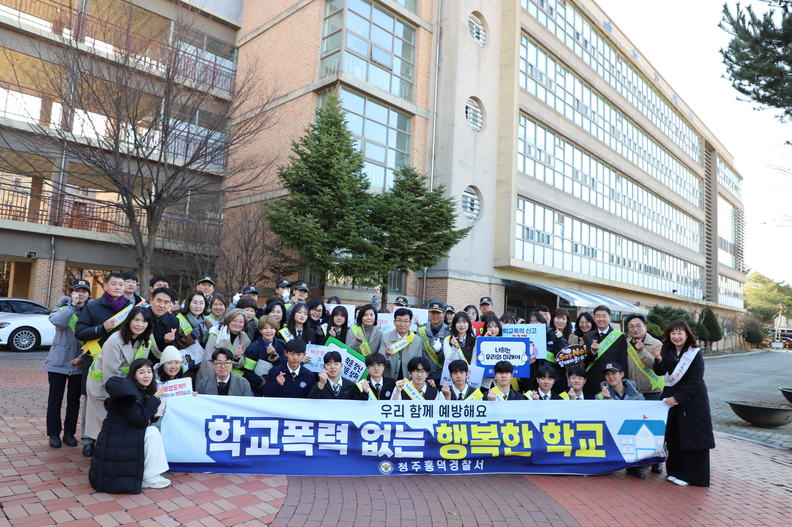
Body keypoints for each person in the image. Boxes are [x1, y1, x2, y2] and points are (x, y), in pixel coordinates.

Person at [75, 273, 137, 458]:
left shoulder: (130, 308)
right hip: (95, 361)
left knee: (117, 400)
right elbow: (80, 332)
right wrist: (102, 328)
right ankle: (88, 440)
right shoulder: (93, 306)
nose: (118, 287)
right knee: (91, 401)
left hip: (121, 363)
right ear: (105, 286)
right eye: (114, 284)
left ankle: (110, 438)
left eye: (121, 284)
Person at [89, 358, 170, 493]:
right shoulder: (128, 394)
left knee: (152, 431)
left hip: (123, 435)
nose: (146, 376)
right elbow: (140, 420)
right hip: (118, 440)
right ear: (134, 374)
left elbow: (139, 417)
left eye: (149, 371)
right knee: (153, 433)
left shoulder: (137, 389)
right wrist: (155, 399)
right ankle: (149, 477)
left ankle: (149, 474)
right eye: (141, 372)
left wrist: (153, 414)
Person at [84, 306, 153, 457]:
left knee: (113, 418)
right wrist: (123, 395)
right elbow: (110, 373)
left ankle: (105, 445)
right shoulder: (115, 339)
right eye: (136, 320)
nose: (140, 324)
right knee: (102, 416)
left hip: (125, 383)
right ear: (129, 321)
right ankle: (93, 444)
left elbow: (140, 368)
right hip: (102, 383)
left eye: (144, 321)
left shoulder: (146, 340)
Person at [652, 320, 714, 487]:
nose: (676, 336)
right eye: (673, 333)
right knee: (674, 436)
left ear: (687, 334)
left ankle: (691, 476)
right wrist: (658, 359)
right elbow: (660, 371)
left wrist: (678, 397)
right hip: (672, 399)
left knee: (692, 437)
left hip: (692, 399)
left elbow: (695, 380)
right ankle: (675, 471)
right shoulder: (667, 349)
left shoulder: (694, 352)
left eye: (680, 333)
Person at [45, 278, 90, 449]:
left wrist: (82, 356)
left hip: (78, 363)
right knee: (55, 399)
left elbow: (94, 336)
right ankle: (53, 434)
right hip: (58, 362)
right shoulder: (61, 308)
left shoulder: (91, 311)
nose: (80, 294)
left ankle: (69, 433)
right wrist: (72, 306)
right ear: (71, 293)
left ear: (88, 295)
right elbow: (59, 322)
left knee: (74, 400)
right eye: (77, 291)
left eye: (84, 292)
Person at [583, 305, 629, 399]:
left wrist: (623, 381)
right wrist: (593, 351)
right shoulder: (588, 336)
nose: (601, 319)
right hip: (592, 382)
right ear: (594, 318)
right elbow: (585, 360)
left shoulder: (619, 337)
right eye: (598, 316)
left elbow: (623, 361)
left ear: (609, 318)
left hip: (612, 381)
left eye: (604, 316)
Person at [198, 309, 251, 382]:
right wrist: (214, 381)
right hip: (211, 378)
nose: (237, 324)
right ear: (228, 321)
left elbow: (242, 365)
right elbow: (207, 361)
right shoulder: (215, 337)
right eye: (234, 320)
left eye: (241, 321)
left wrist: (237, 357)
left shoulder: (245, 340)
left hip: (234, 381)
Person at [242, 316, 286, 396]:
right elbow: (248, 372)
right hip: (257, 388)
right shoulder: (253, 348)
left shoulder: (282, 345)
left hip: (279, 384)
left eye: (272, 328)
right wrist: (263, 384)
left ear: (276, 329)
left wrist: (274, 355)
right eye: (265, 328)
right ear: (260, 330)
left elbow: (284, 366)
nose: (269, 331)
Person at [625, 314, 664, 401]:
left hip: (652, 392)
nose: (635, 329)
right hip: (630, 391)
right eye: (631, 327)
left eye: (638, 326)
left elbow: (657, 366)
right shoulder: (625, 344)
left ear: (645, 327)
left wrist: (642, 351)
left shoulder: (656, 344)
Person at [380, 308, 424, 380]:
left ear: (410, 323)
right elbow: (379, 362)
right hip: (389, 379)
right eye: (399, 320)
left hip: (409, 380)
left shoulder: (417, 340)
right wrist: (387, 356)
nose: (402, 324)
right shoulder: (385, 338)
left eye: (406, 321)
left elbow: (418, 363)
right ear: (394, 322)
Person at [417, 301, 449, 382]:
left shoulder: (449, 332)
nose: (435, 315)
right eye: (433, 312)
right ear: (429, 313)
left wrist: (440, 351)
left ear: (444, 314)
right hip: (423, 375)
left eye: (438, 313)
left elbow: (450, 357)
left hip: (441, 376)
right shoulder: (421, 330)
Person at [147, 287, 180, 364]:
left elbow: (174, 349)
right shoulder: (140, 315)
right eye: (159, 301)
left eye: (166, 302)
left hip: (159, 363)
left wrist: (167, 342)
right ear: (151, 300)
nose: (162, 305)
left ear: (170, 304)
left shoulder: (173, 321)